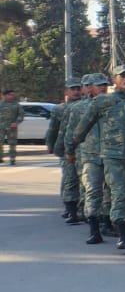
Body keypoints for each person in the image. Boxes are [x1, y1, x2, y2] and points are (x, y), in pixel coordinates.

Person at [70, 66, 125, 250]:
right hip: (112, 155)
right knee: (118, 192)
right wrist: (72, 146)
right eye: (123, 76)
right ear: (115, 80)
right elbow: (84, 124)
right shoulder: (103, 101)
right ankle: (118, 233)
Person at [67, 72, 109, 243]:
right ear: (89, 87)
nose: (103, 88)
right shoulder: (78, 108)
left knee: (110, 192)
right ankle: (94, 228)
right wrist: (69, 151)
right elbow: (71, 132)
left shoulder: (114, 104)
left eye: (104, 84)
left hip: (111, 153)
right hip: (90, 154)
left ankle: (107, 222)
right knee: (92, 190)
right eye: (99, 85)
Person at [45, 78, 84, 223]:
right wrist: (50, 143)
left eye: (78, 88)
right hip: (67, 147)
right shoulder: (59, 109)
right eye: (72, 89)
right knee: (69, 178)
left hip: (84, 148)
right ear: (66, 91)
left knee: (85, 181)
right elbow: (54, 128)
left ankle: (82, 209)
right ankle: (70, 209)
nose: (76, 91)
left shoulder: (87, 105)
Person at [0, 88, 20, 164]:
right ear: (4, 95)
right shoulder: (0, 104)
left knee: (12, 143)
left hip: (12, 127)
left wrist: (16, 122)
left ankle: (12, 159)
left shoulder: (16, 104)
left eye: (12, 95)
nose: (12, 96)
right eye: (10, 95)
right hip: (1, 127)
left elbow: (21, 115)